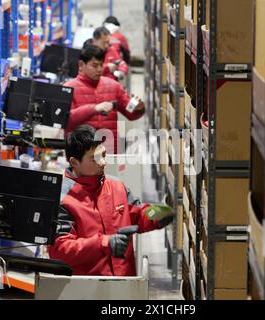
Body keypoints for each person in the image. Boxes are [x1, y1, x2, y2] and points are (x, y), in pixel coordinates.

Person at [49, 125, 173, 276]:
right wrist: (105, 244)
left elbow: (138, 213)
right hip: (88, 290)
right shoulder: (63, 200)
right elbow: (60, 250)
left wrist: (155, 214)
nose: (103, 162)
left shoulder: (117, 187)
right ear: (74, 162)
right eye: (95, 158)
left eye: (103, 155)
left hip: (125, 284)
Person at [64, 44, 144, 154]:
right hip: (81, 155)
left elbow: (129, 113)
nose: (99, 69)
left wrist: (138, 109)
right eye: (95, 65)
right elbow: (67, 121)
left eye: (101, 65)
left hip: (109, 152)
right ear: (81, 65)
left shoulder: (113, 86)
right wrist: (94, 109)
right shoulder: (69, 89)